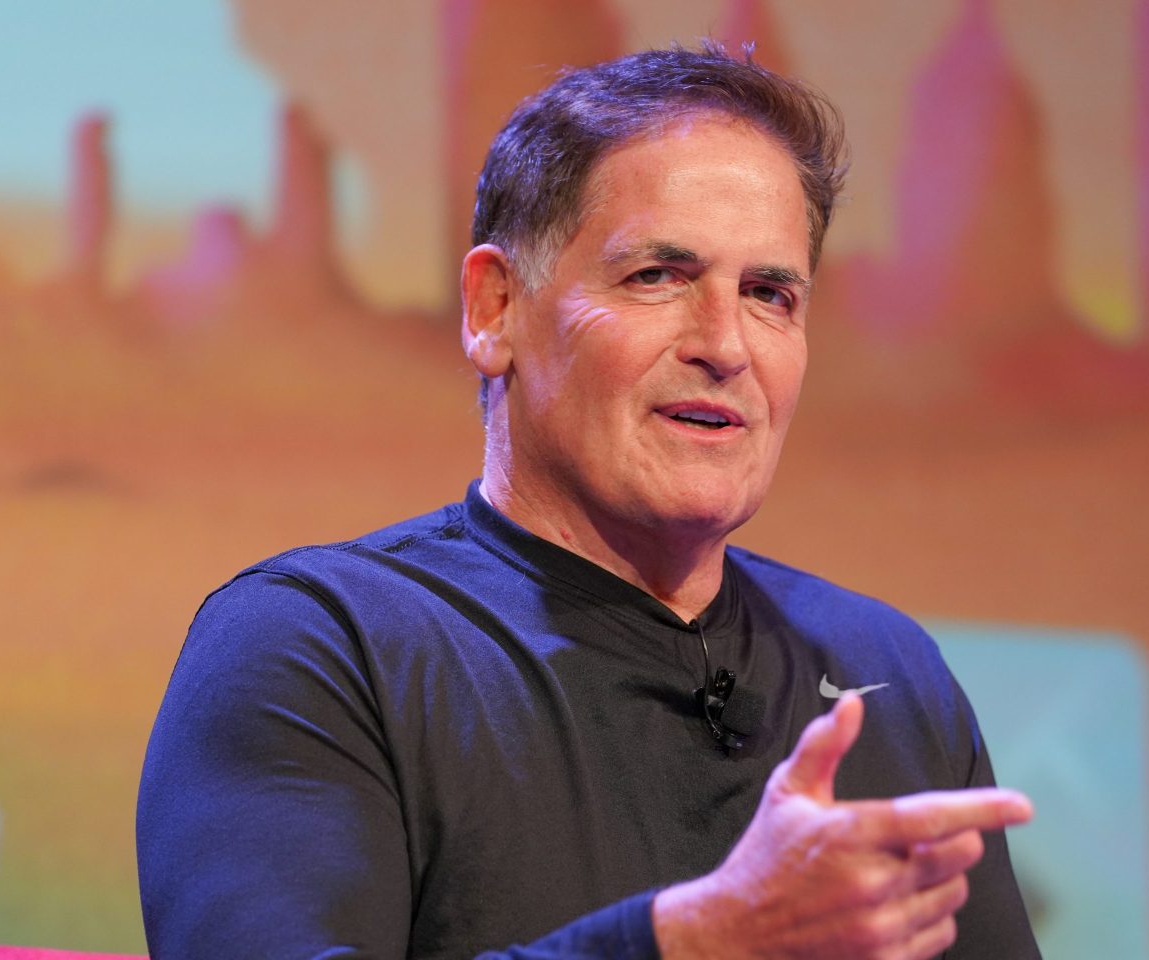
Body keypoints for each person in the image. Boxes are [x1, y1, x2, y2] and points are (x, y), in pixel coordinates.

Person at [136, 43, 1041, 960]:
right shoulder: (320, 646)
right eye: (658, 277)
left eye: (769, 294)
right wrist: (694, 943)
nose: (726, 345)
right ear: (494, 308)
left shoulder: (886, 668)